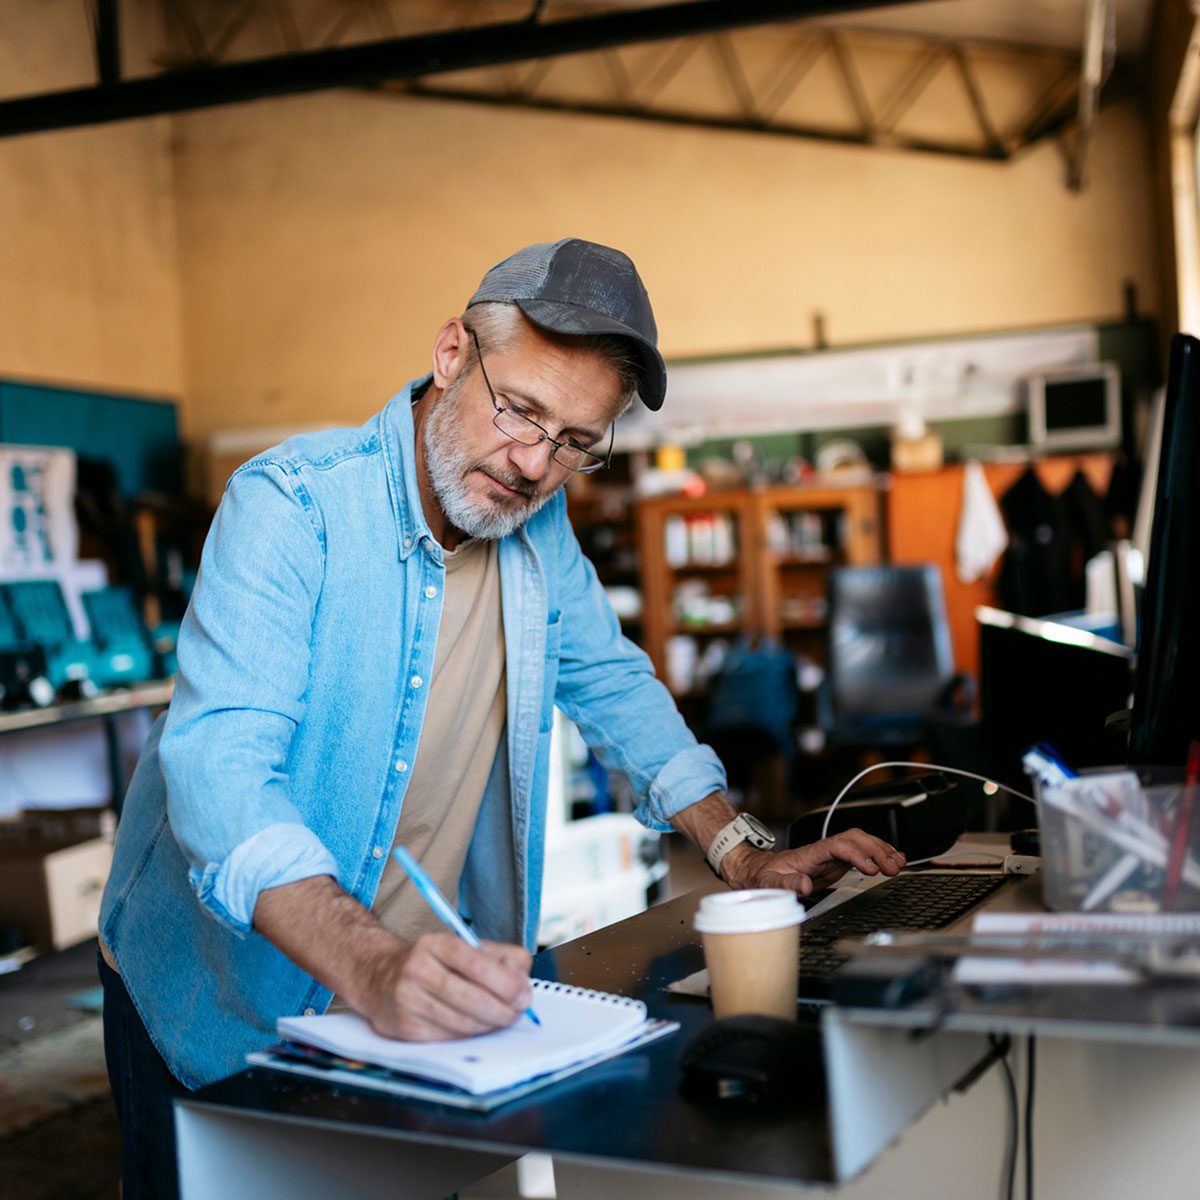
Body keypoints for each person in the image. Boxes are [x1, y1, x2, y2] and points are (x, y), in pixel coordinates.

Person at [98, 238, 904, 1197]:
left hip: (405, 1003)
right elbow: (219, 772)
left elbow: (612, 683)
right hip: (218, 996)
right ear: (450, 355)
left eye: (574, 442)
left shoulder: (535, 527)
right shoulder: (292, 507)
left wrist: (741, 849)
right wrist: (373, 966)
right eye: (519, 410)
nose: (532, 465)